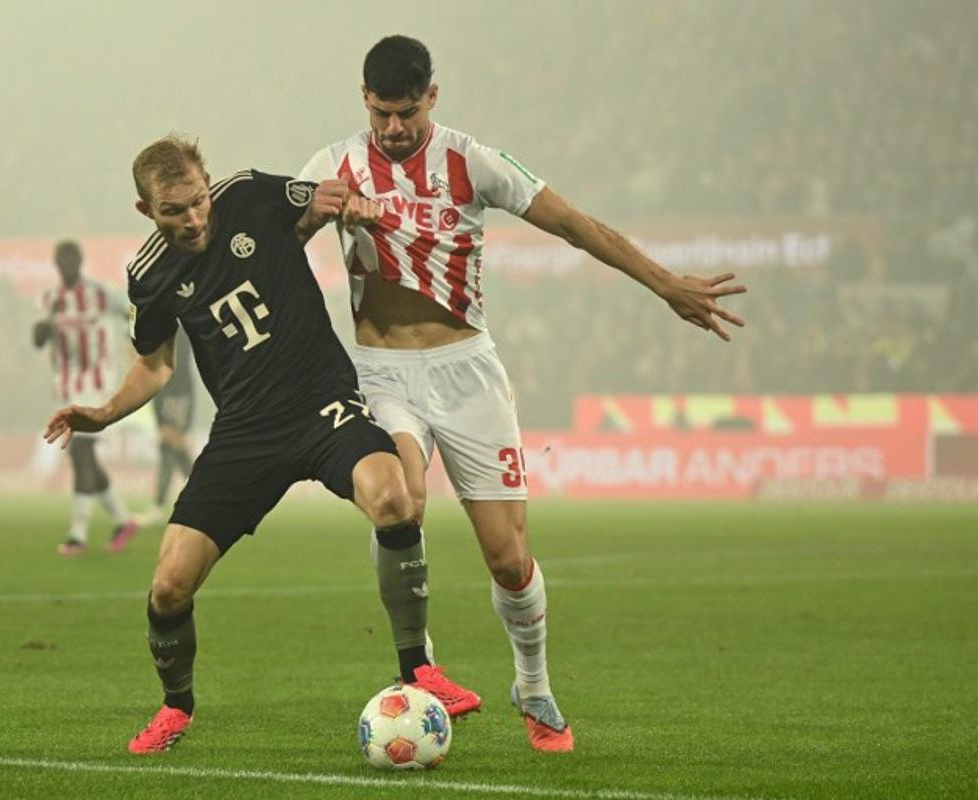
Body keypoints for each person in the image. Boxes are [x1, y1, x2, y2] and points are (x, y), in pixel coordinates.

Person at [299, 35, 748, 753]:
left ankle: (532, 684)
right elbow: (278, 240)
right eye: (381, 113)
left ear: (432, 99)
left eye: (406, 113)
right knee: (399, 499)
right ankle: (419, 665)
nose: (392, 129)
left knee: (508, 558)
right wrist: (313, 214)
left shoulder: (472, 160)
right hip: (383, 373)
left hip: (467, 371)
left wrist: (667, 284)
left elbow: (574, 224)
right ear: (364, 100)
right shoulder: (331, 166)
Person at [43, 135, 478, 754]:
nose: (193, 219)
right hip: (245, 433)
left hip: (322, 404)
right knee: (168, 587)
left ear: (207, 184)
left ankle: (419, 669)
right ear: (146, 211)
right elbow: (156, 366)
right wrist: (105, 413)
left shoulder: (247, 194)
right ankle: (176, 708)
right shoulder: (150, 275)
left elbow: (317, 199)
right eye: (175, 211)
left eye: (197, 202)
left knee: (396, 499)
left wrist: (345, 203)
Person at [33, 239, 140, 556]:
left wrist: (134, 340)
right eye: (62, 260)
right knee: (85, 457)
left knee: (81, 455)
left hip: (96, 385)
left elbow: (131, 312)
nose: (68, 265)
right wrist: (49, 317)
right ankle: (123, 520)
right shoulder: (49, 298)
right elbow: (38, 340)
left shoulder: (100, 293)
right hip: (66, 387)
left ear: (80, 262)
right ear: (56, 264)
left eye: (73, 259)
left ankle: (77, 535)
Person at [136, 331, 197, 525]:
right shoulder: (161, 326)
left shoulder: (182, 330)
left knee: (171, 445)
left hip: (179, 391)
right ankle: (205, 489)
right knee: (169, 447)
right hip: (162, 389)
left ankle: (159, 505)